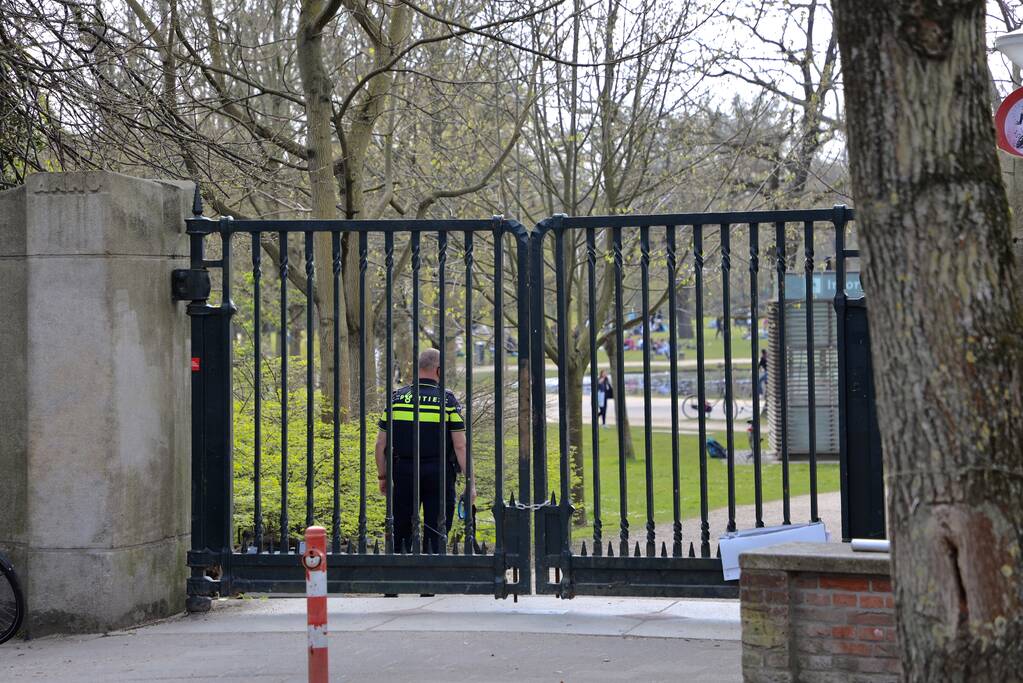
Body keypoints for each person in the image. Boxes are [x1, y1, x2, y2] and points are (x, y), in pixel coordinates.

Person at [375, 348, 475, 555]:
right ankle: (432, 571)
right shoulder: (447, 401)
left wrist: (383, 476)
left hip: (404, 471)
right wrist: (470, 483)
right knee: (437, 532)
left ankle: (397, 570)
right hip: (439, 472)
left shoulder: (396, 399)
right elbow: (460, 446)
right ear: (438, 370)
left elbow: (380, 444)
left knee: (401, 532)